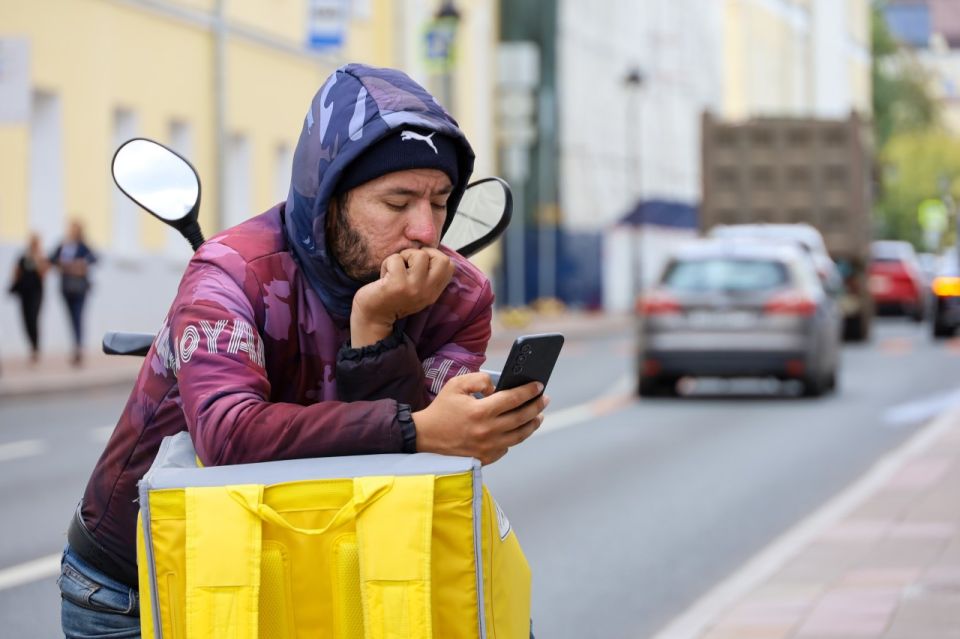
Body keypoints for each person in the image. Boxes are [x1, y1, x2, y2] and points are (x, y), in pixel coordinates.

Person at [59, 63, 548, 638]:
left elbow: (420, 471)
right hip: (140, 582)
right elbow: (228, 437)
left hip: (325, 570)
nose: (425, 229)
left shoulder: (460, 294)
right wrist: (416, 428)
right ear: (329, 197)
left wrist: (376, 326)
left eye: (440, 202)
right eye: (397, 203)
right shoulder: (231, 272)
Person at [50, 220, 97, 366]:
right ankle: (75, 346)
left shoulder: (83, 246)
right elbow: (51, 259)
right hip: (66, 287)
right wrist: (65, 266)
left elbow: (94, 259)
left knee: (78, 317)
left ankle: (78, 348)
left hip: (79, 288)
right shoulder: (63, 245)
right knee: (71, 318)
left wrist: (79, 265)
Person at [8, 233, 49, 362]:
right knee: (26, 320)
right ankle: (32, 346)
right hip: (24, 294)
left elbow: (43, 274)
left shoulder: (41, 257)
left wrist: (36, 259)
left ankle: (35, 347)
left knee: (33, 318)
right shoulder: (23, 257)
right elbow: (16, 272)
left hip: (36, 294)